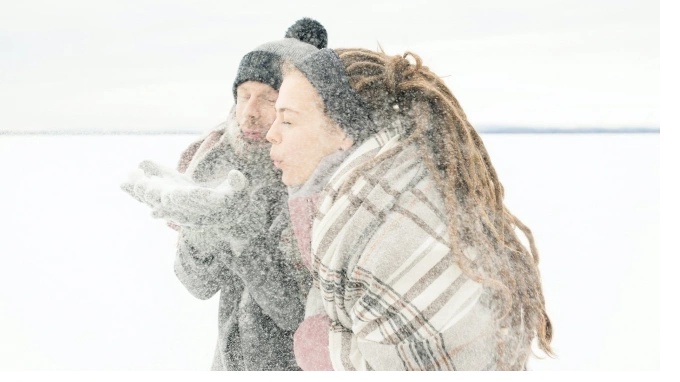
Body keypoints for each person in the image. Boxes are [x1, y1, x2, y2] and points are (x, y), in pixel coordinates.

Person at [265, 48, 554, 371]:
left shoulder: (394, 233)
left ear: (343, 131)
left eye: (287, 120)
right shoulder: (381, 201)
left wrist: (323, 348)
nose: (270, 134)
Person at [121, 18, 328, 371]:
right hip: (230, 365)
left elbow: (297, 313)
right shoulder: (218, 163)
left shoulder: (315, 183)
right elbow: (197, 284)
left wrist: (242, 237)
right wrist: (201, 225)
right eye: (244, 95)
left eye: (268, 98)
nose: (250, 111)